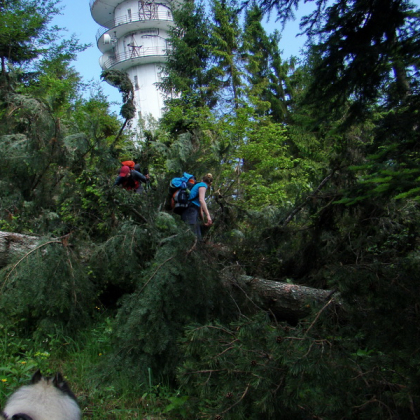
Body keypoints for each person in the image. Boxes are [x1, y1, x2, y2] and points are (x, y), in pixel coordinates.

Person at [181, 173, 213, 239]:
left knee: (198, 235)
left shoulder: (199, 184)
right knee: (192, 234)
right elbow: (201, 200)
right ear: (210, 183)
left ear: (202, 180)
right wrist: (208, 216)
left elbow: (200, 209)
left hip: (192, 210)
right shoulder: (203, 185)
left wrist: (203, 221)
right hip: (190, 210)